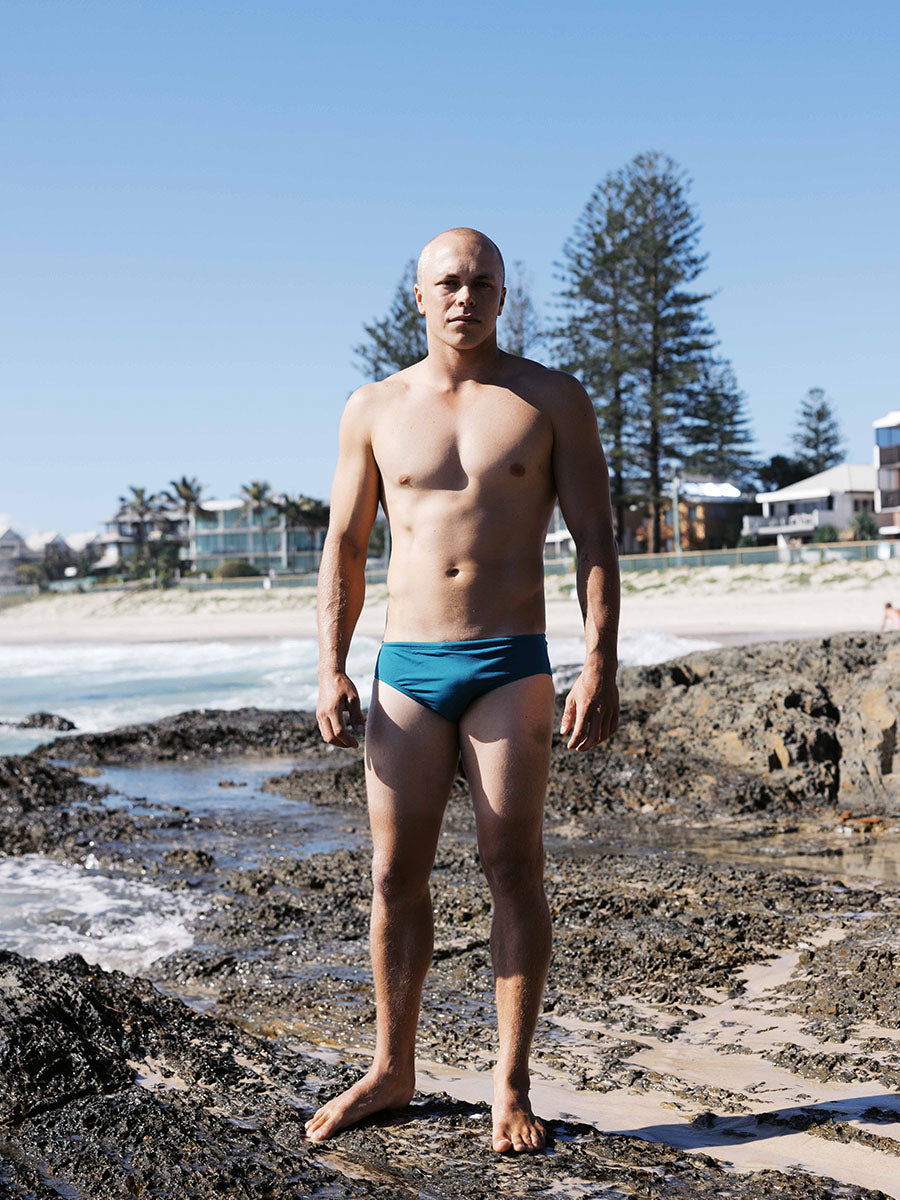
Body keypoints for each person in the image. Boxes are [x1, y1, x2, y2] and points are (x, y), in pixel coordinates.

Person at [308, 227, 620, 1154]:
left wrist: (599, 661)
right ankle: (392, 1067)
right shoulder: (373, 407)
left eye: (483, 282)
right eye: (449, 281)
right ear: (418, 295)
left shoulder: (551, 400)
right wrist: (330, 663)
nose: (465, 296)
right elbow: (346, 547)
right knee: (394, 876)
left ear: (502, 295)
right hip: (406, 666)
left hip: (510, 662)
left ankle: (509, 1086)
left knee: (510, 867)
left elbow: (596, 540)